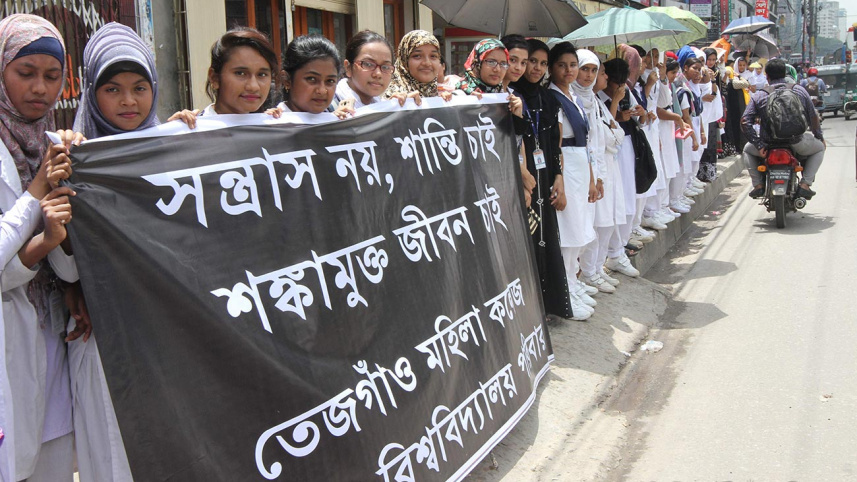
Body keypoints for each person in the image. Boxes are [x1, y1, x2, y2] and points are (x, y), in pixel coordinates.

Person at [68, 21, 161, 482]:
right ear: (91, 91)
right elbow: (65, 265)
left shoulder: (176, 150)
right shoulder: (74, 158)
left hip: (170, 333)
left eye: (140, 88)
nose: (129, 102)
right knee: (113, 452)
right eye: (113, 89)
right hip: (104, 336)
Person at [0, 13, 80, 482]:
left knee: (51, 460)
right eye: (24, 73)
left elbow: (69, 270)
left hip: (53, 330)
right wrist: (36, 191)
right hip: (10, 338)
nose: (39, 89)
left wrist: (56, 244)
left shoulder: (58, 146)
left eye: (52, 77)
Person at [510, 38, 572, 320]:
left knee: (546, 236)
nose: (534, 68)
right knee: (525, 239)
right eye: (529, 61)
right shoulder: (509, 94)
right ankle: (527, 310)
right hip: (520, 178)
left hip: (544, 175)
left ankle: (548, 306)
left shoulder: (547, 98)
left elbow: (553, 142)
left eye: (541, 63)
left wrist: (559, 176)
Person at [546, 42, 596, 321]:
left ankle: (574, 284)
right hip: (566, 166)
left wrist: (591, 177)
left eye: (572, 65)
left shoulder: (572, 96)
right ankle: (565, 290)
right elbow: (558, 143)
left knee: (578, 230)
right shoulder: (553, 98)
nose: (569, 70)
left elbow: (584, 142)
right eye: (562, 65)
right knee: (568, 232)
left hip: (580, 165)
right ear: (552, 68)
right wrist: (561, 178)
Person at [576, 50, 627, 298]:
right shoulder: (574, 98)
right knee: (590, 226)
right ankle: (586, 272)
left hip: (602, 169)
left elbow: (615, 138)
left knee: (605, 222)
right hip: (587, 170)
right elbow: (608, 138)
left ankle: (596, 268)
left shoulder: (594, 101)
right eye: (584, 69)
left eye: (594, 70)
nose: (590, 76)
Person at [742, 58, 825, 200]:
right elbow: (813, 116)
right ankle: (805, 185)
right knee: (819, 148)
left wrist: (758, 143)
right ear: (785, 73)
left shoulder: (759, 95)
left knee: (746, 150)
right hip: (797, 141)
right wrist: (819, 137)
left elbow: (745, 121)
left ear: (767, 76)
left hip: (768, 144)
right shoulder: (799, 90)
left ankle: (758, 185)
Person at [170, 27, 278, 126]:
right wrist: (175, 132)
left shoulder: (271, 127)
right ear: (214, 78)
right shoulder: (191, 132)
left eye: (262, 74)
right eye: (240, 73)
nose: (253, 86)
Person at [597, 55, 641, 281]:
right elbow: (606, 131)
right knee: (606, 214)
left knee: (622, 206)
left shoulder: (622, 94)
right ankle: (607, 258)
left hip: (621, 153)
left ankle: (616, 251)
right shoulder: (599, 100)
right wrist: (615, 105)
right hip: (605, 160)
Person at [383, 30, 452, 102]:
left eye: (433, 56)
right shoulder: (394, 97)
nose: (427, 63)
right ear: (404, 60)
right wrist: (398, 106)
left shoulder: (436, 95)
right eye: (417, 56)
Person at [334, 30, 395, 111]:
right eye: (368, 64)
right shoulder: (326, 109)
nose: (378, 74)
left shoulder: (382, 107)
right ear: (348, 67)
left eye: (385, 67)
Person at [698, 48, 724, 182]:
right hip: (700, 114)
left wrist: (713, 80)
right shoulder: (699, 72)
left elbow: (716, 93)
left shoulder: (715, 73)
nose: (710, 62)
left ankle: (709, 173)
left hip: (711, 114)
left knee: (710, 143)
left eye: (714, 60)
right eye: (708, 59)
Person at [725, 53, 750, 153]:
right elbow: (745, 84)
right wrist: (739, 77)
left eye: (744, 65)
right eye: (739, 65)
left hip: (743, 104)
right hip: (735, 107)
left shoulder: (744, 75)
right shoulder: (733, 78)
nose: (742, 67)